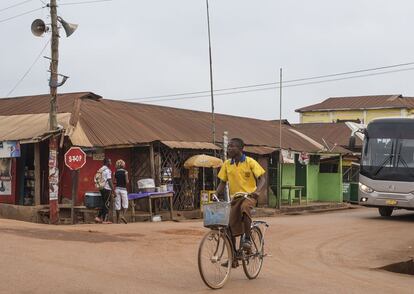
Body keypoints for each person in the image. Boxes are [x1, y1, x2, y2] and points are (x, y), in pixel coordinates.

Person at [216, 138, 266, 265]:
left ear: (240, 149)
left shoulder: (250, 162)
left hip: (249, 197)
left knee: (245, 208)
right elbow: (222, 182)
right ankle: (234, 257)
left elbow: (262, 179)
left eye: (232, 146)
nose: (229, 149)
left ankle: (248, 240)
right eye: (228, 147)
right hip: (235, 198)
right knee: (227, 226)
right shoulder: (227, 164)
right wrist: (215, 194)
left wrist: (257, 192)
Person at [95, 158, 114, 224]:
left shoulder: (101, 169)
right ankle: (105, 220)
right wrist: (113, 190)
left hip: (101, 188)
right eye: (110, 161)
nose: (111, 163)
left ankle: (98, 217)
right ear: (107, 162)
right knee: (106, 204)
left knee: (104, 203)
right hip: (107, 188)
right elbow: (109, 180)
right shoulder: (107, 170)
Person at [114, 159, 129, 224]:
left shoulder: (115, 173)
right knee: (125, 204)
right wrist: (127, 180)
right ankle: (123, 216)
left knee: (117, 204)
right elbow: (127, 181)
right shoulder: (125, 172)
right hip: (123, 190)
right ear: (123, 165)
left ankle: (117, 220)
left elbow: (114, 181)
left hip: (117, 189)